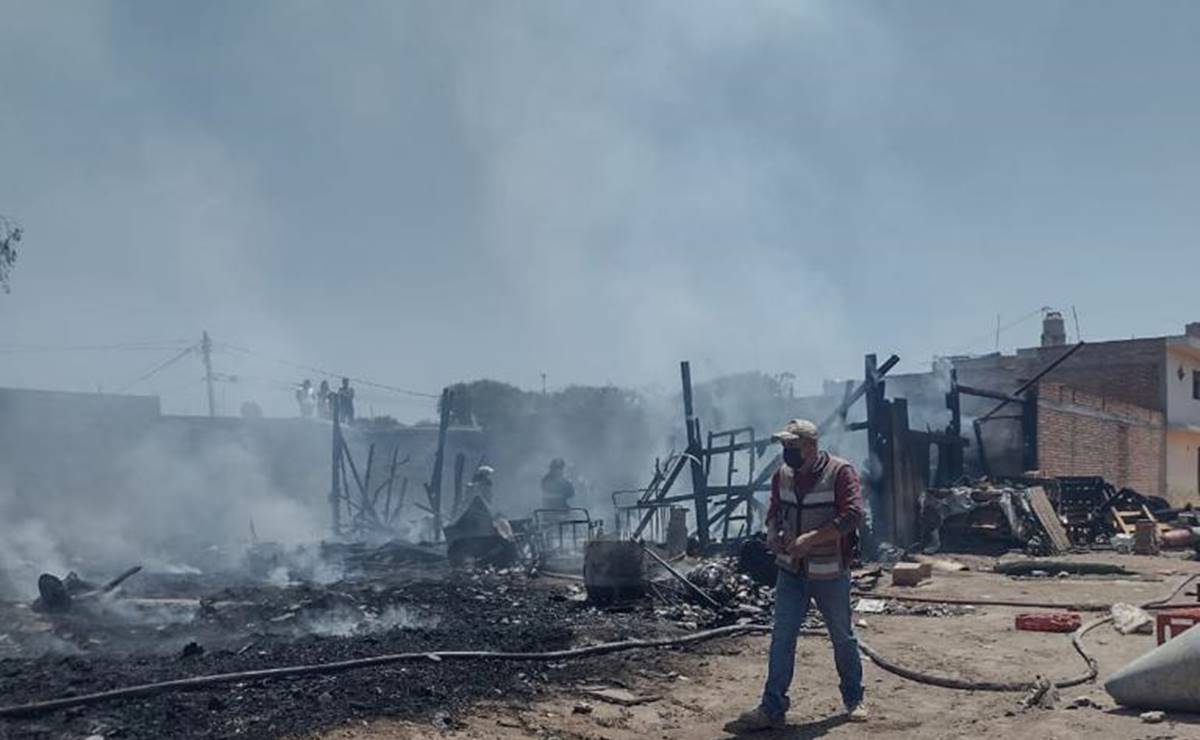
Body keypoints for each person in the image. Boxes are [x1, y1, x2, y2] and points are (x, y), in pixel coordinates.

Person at [727, 419, 867, 732]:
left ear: (811, 445)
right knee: (782, 637)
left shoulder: (840, 472)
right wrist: (773, 532)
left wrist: (811, 539)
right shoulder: (783, 474)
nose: (787, 452)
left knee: (842, 636)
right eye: (784, 446)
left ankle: (854, 697)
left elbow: (853, 516)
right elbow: (775, 509)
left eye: (793, 446)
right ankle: (772, 707)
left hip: (829, 571)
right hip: (791, 570)